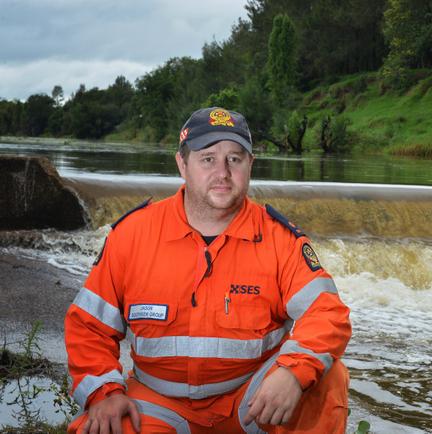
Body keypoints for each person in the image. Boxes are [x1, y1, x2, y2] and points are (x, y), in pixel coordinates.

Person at [64, 107, 352, 434]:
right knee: (102, 426)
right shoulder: (132, 235)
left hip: (253, 399)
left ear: (250, 165)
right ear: (182, 164)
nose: (223, 173)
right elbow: (89, 326)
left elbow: (328, 313)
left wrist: (292, 372)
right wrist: (105, 392)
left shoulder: (279, 239)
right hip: (160, 401)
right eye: (207, 159)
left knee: (325, 376)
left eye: (234, 159)